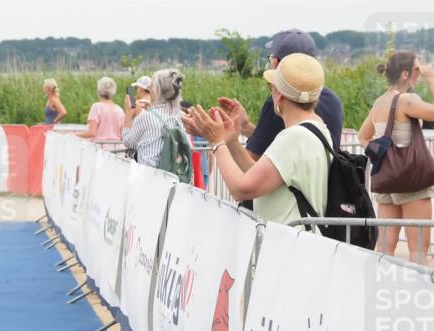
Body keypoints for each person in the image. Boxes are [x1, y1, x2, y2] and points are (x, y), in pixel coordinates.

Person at [184, 53, 331, 229]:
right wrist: (231, 141)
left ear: (280, 96)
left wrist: (216, 142)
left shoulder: (294, 138)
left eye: (272, 87)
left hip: (286, 245)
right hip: (300, 243)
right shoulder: (317, 129)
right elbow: (259, 176)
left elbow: (241, 189)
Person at [214, 29, 343, 163]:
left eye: (271, 57)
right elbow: (283, 144)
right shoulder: (332, 100)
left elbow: (251, 168)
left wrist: (219, 141)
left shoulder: (281, 101)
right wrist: (246, 127)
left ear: (276, 63)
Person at [359, 51, 434, 265]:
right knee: (418, 250)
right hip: (411, 181)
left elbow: (363, 137)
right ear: (404, 74)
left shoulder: (379, 102)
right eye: (417, 70)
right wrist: (431, 80)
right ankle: (415, 295)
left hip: (388, 181)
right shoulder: (406, 100)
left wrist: (383, 156)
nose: (419, 74)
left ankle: (382, 288)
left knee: (384, 248)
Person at [122, 69, 188, 170]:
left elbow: (129, 141)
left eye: (152, 86)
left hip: (150, 176)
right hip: (176, 176)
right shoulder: (181, 115)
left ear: (157, 90)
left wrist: (128, 113)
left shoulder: (147, 117)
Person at [77, 76, 124, 147]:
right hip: (117, 148)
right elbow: (122, 134)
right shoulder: (119, 110)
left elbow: (92, 133)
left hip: (100, 149)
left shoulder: (96, 107)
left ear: (99, 91)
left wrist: (75, 135)